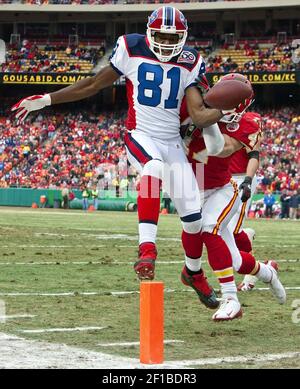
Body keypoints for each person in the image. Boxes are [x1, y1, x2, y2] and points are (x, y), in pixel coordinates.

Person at [12, 6, 238, 308]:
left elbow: (197, 114)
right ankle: (147, 250)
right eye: (161, 36)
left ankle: (193, 273)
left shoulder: (191, 61)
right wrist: (47, 99)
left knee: (194, 219)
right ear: (149, 33)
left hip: (172, 141)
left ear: (183, 38)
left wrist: (225, 109)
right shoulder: (131, 48)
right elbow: (93, 84)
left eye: (174, 38)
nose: (168, 44)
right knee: (153, 168)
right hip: (140, 134)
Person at [180, 75, 286, 320]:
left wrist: (206, 122)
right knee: (236, 261)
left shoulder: (246, 123)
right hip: (194, 189)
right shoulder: (194, 110)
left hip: (225, 187)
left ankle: (231, 299)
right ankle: (269, 273)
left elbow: (222, 148)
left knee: (209, 227)